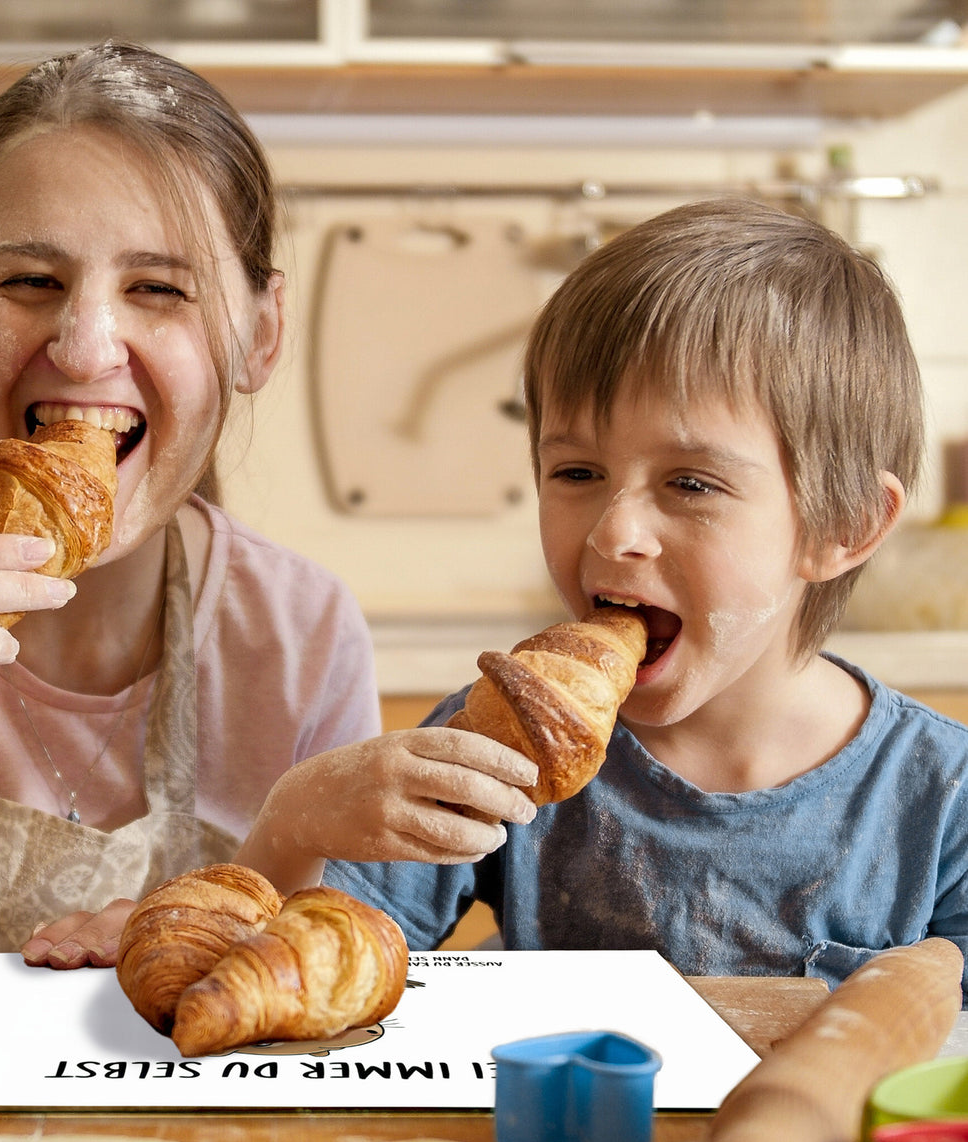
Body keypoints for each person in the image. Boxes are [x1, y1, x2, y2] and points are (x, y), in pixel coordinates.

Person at [0, 40, 391, 981]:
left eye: (159, 289)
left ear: (260, 335)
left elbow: (336, 990)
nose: (88, 347)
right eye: (29, 282)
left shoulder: (298, 639)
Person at [253, 196, 968, 999]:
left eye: (691, 483)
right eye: (577, 474)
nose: (613, 531)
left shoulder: (942, 798)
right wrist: (294, 823)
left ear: (843, 525)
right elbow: (313, 969)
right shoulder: (503, 739)